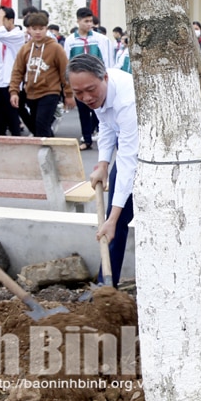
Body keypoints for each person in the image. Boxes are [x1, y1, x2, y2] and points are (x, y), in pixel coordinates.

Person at [67, 54, 138, 283]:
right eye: (78, 93)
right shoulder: (97, 94)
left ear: (104, 78)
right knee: (113, 221)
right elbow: (106, 126)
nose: (86, 97)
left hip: (155, 150)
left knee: (116, 219)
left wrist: (113, 217)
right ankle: (105, 286)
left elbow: (128, 162)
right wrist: (103, 164)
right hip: (129, 143)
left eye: (90, 90)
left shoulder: (127, 101)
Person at [9, 12, 74, 137]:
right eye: (34, 29)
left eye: (41, 28)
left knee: (41, 124)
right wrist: (14, 91)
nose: (38, 32)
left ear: (46, 29)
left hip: (50, 92)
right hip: (31, 93)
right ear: (29, 30)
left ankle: (45, 152)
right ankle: (51, 146)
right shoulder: (25, 48)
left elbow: (65, 71)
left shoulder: (55, 48)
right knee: (37, 126)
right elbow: (17, 71)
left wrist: (69, 94)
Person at [64, 7, 114, 150]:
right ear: (78, 21)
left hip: (96, 81)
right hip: (79, 81)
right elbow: (67, 61)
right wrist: (68, 85)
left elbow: (107, 61)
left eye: (91, 21)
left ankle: (105, 138)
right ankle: (86, 139)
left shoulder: (100, 39)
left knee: (100, 110)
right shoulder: (71, 41)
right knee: (83, 111)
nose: (89, 24)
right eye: (86, 21)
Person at [0, 6, 25, 136]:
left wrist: (1, 17)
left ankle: (17, 140)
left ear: (10, 20)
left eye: (1, 19)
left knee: (12, 114)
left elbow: (0, 34)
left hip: (11, 81)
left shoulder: (18, 34)